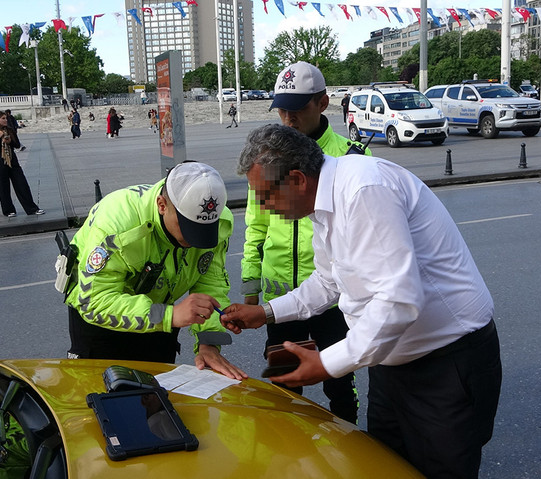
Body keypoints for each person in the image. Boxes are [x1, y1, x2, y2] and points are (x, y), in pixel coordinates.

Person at [223, 124, 502, 479]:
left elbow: (399, 299)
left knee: (441, 470)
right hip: (390, 362)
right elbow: (328, 281)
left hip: (446, 364)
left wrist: (327, 363)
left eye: (266, 195)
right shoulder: (323, 205)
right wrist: (266, 312)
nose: (262, 207)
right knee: (386, 466)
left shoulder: (363, 190)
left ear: (296, 179)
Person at [239, 61, 369, 424]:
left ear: (323, 103)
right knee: (283, 381)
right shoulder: (267, 158)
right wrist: (251, 284)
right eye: (281, 109)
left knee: (339, 379)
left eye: (296, 108)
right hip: (281, 296)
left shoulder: (351, 157)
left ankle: (348, 440)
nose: (288, 118)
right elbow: (255, 225)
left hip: (334, 299)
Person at [62, 161, 246, 381]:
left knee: (156, 403)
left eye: (203, 231)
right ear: (161, 204)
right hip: (101, 327)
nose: (193, 241)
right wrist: (169, 315)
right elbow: (94, 300)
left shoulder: (216, 217)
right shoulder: (117, 223)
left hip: (162, 319)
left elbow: (210, 283)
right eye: (188, 228)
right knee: (100, 404)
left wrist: (209, 343)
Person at [0, 111, 45, 217]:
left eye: (5, 118)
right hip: (0, 161)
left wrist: (10, 142)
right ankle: (8, 210)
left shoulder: (10, 130)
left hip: (12, 160)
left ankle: (31, 208)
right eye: (3, 118)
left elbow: (17, 144)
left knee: (21, 184)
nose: (5, 120)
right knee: (3, 187)